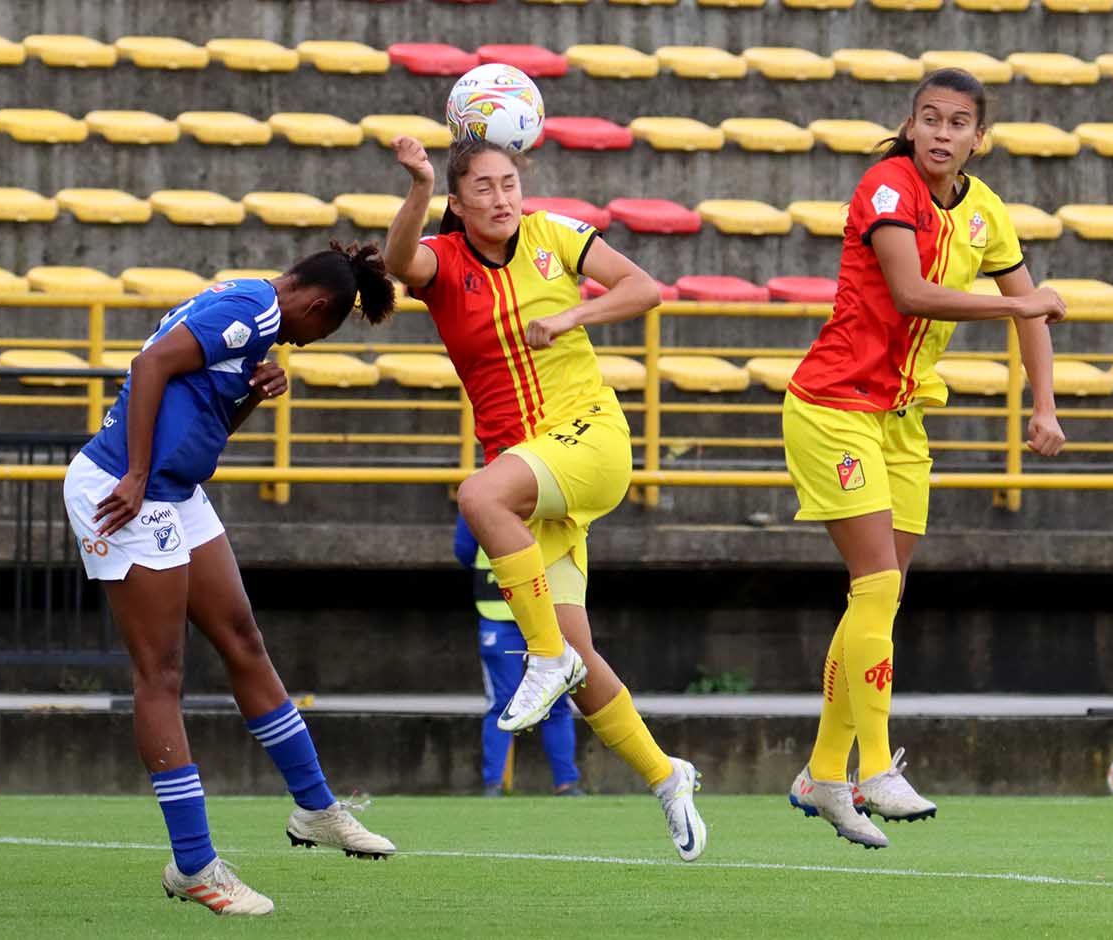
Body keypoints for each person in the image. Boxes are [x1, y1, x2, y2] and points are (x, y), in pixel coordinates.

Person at [385, 137, 706, 861]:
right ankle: (666, 776)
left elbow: (643, 288)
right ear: (458, 203)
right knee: (583, 663)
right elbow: (399, 261)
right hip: (530, 473)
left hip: (588, 436)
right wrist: (417, 186)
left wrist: (570, 318)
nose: (501, 199)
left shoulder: (554, 234)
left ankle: (542, 656)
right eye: (483, 189)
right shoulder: (442, 260)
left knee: (477, 497)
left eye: (509, 183)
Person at [64, 242, 398, 918]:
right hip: (126, 491)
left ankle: (315, 809)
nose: (311, 341)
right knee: (160, 673)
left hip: (174, 490)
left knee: (243, 640)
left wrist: (250, 396)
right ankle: (193, 865)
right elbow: (149, 364)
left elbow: (204, 416)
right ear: (314, 305)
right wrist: (132, 475)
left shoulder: (255, 313)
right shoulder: (252, 310)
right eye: (324, 330)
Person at [781, 69, 1067, 849]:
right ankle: (872, 767)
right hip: (833, 407)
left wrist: (1042, 403)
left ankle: (818, 774)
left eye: (958, 122)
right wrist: (1016, 304)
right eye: (929, 119)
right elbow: (910, 292)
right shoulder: (885, 186)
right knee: (875, 583)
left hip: (902, 420)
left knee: (877, 598)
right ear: (909, 128)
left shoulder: (985, 212)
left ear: (979, 138)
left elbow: (1031, 312)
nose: (941, 133)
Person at [454, 513, 580, 797]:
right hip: (539, 612)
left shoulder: (479, 486)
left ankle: (494, 787)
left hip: (502, 610)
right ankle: (566, 785)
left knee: (504, 702)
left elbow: (464, 551)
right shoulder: (551, 481)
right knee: (555, 699)